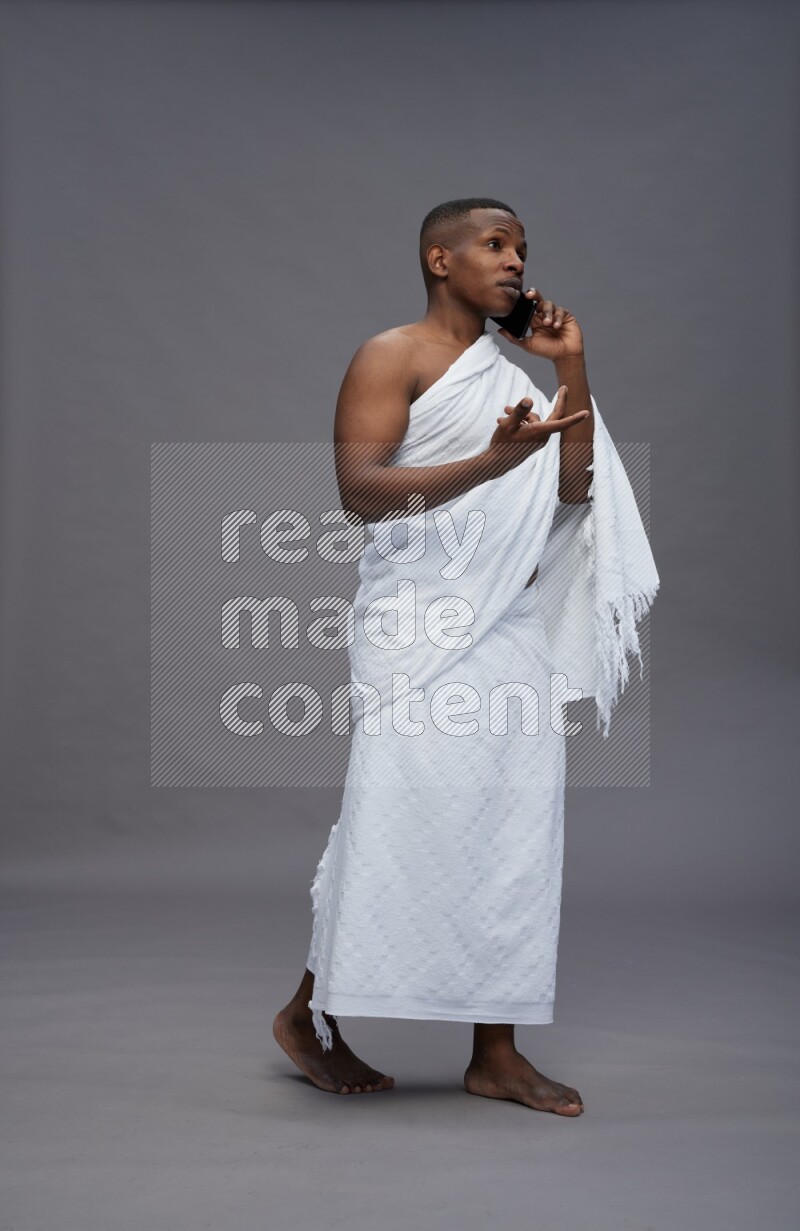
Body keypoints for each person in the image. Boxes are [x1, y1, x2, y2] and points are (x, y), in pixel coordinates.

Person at [273, 197, 658, 1115]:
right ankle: (307, 1013)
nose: (516, 262)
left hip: (509, 628)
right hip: (418, 626)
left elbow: (573, 495)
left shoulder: (519, 373)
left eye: (523, 249)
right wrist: (488, 463)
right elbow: (359, 492)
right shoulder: (391, 356)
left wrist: (572, 367)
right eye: (495, 245)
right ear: (439, 260)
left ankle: (497, 1052)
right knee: (397, 822)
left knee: (515, 834)